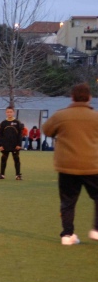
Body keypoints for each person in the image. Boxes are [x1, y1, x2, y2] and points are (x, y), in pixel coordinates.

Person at [42, 83, 98, 245]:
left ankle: (67, 235)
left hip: (66, 165)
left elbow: (46, 130)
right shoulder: (95, 117)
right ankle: (96, 229)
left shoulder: (61, 115)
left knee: (67, 201)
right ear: (89, 98)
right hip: (91, 165)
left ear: (72, 97)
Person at [0, 106, 24, 180]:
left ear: (13, 112)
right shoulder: (3, 123)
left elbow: (20, 135)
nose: (9, 113)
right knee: (3, 159)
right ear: (5, 113)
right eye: (8, 112)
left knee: (16, 159)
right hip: (5, 145)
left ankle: (18, 175)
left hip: (15, 145)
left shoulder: (17, 122)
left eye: (10, 112)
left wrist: (19, 144)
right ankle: (2, 174)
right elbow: (0, 135)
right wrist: (0, 145)